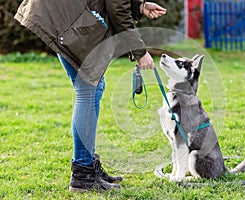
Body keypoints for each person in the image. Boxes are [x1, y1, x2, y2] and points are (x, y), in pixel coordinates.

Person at [15, 0, 166, 193]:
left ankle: (88, 166)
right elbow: (117, 9)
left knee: (93, 87)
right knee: (87, 90)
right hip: (61, 15)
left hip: (62, 12)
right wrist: (140, 52)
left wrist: (139, 6)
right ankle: (82, 174)